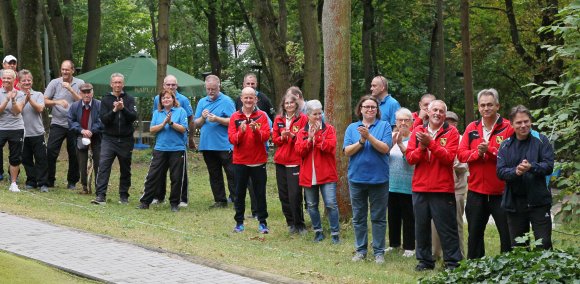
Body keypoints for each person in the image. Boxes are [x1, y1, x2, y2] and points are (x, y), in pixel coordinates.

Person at [406, 100, 462, 271]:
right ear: (428, 112)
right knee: (421, 227)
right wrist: (422, 148)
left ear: (445, 115)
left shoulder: (451, 132)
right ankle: (425, 261)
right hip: (420, 188)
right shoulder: (417, 131)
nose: (437, 113)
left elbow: (448, 158)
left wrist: (430, 143)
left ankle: (452, 262)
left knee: (447, 228)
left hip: (442, 189)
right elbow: (410, 158)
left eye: (441, 111)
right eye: (434, 110)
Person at [458, 88, 513, 259]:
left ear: (497, 106)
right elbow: (461, 154)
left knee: (506, 235)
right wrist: (478, 154)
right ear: (478, 107)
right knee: (474, 235)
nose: (486, 108)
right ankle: (475, 269)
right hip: (476, 192)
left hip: (501, 193)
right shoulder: (472, 127)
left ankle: (507, 269)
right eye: (482, 105)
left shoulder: (508, 128)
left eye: (490, 105)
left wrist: (490, 151)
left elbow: (511, 157)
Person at [497, 105, 554, 250]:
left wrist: (532, 167)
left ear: (531, 121)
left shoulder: (542, 140)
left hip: (539, 201)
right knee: (519, 247)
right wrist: (516, 171)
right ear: (511, 124)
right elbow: (500, 172)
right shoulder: (505, 145)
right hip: (515, 203)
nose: (523, 125)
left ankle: (546, 271)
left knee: (544, 244)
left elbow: (549, 166)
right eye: (519, 122)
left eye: (526, 121)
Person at [344, 96, 392, 263]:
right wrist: (361, 141)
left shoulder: (385, 125)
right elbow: (347, 151)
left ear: (377, 110)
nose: (370, 109)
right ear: (361, 109)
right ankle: (361, 250)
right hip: (356, 179)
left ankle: (379, 252)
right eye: (367, 107)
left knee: (378, 217)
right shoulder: (352, 128)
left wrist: (369, 136)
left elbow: (385, 148)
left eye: (373, 107)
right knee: (359, 217)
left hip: (379, 180)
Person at [295, 100, 340, 244]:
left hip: (327, 173)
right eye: (315, 114)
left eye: (320, 113)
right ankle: (318, 232)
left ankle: (335, 234)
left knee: (331, 204)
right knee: (312, 205)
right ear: (308, 115)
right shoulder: (302, 132)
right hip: (309, 175)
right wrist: (309, 138)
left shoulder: (329, 129)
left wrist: (317, 136)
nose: (318, 116)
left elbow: (330, 147)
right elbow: (299, 151)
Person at [228, 87, 271, 233]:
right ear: (241, 99)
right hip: (240, 161)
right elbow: (232, 139)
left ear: (256, 99)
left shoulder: (262, 116)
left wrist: (255, 130)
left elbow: (266, 136)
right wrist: (241, 131)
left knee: (260, 192)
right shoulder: (235, 117)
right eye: (246, 98)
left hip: (258, 161)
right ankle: (239, 223)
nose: (248, 100)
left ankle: (263, 222)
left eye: (251, 97)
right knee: (239, 193)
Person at [138, 90, 188, 212]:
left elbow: (183, 129)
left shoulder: (181, 111)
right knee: (153, 176)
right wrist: (164, 123)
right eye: (163, 98)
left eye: (168, 98)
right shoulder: (157, 113)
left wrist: (171, 123)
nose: (166, 100)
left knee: (176, 177)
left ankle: (174, 204)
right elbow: (152, 129)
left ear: (173, 99)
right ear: (160, 101)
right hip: (160, 149)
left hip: (177, 149)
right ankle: (145, 202)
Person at [92, 73, 137, 205]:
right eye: (115, 82)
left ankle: (124, 196)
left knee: (125, 169)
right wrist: (114, 110)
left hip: (126, 140)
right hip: (108, 139)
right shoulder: (105, 100)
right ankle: (100, 195)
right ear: (111, 84)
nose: (117, 85)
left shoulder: (129, 99)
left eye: (119, 82)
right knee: (104, 166)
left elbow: (133, 117)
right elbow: (104, 120)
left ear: (123, 84)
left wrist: (123, 109)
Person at [151, 75, 195, 207]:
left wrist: (190, 137)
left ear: (177, 86)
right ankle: (159, 196)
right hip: (162, 142)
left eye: (173, 85)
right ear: (163, 85)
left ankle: (182, 198)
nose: (171, 87)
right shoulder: (157, 99)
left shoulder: (184, 100)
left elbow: (190, 119)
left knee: (179, 173)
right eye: (168, 85)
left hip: (178, 143)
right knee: (159, 171)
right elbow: (157, 115)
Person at [194, 75, 236, 209]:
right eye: (208, 89)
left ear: (219, 87)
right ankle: (220, 200)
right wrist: (202, 117)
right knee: (214, 174)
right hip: (207, 145)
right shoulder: (202, 102)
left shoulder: (227, 101)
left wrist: (217, 119)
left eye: (213, 89)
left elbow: (234, 121)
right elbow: (196, 124)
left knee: (231, 173)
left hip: (224, 145)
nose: (211, 92)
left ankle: (236, 199)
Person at [432, 111, 469, 259]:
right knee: (435, 222)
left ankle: (459, 255)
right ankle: (434, 254)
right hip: (437, 187)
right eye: (446, 121)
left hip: (456, 187)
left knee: (456, 222)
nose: (449, 123)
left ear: (456, 124)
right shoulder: (434, 137)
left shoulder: (461, 139)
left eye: (452, 121)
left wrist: (448, 161)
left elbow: (463, 164)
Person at [272, 89, 308, 234]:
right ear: (283, 105)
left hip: (295, 161)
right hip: (280, 161)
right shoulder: (278, 119)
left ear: (296, 104)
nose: (289, 105)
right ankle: (290, 223)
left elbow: (304, 138)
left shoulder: (303, 118)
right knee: (283, 194)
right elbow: (274, 139)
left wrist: (292, 136)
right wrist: (282, 137)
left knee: (295, 195)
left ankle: (300, 224)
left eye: (291, 102)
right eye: (286, 103)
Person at [44, 60, 83, 189]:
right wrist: (57, 102)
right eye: (63, 69)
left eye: (67, 69)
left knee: (74, 153)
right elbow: (44, 100)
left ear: (72, 70)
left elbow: (84, 101)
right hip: (57, 123)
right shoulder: (54, 83)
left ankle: (72, 182)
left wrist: (71, 90)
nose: (65, 72)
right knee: (50, 151)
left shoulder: (80, 83)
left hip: (74, 124)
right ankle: (49, 180)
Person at [386, 108, 416, 258]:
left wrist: (401, 145)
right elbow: (384, 157)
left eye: (406, 120)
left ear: (412, 122)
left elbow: (412, 161)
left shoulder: (415, 139)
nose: (403, 123)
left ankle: (410, 246)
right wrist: (392, 144)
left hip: (409, 185)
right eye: (400, 120)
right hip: (391, 184)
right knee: (393, 215)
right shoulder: (390, 137)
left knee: (409, 216)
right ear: (395, 122)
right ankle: (394, 244)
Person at [68, 83, 102, 194]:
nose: (87, 94)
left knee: (98, 163)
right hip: (80, 137)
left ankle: (99, 187)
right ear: (80, 93)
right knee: (82, 163)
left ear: (93, 93)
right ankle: (84, 186)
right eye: (84, 92)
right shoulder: (74, 106)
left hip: (97, 138)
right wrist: (82, 130)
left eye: (89, 92)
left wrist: (92, 131)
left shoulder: (99, 105)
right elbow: (71, 121)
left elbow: (102, 121)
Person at [19, 70, 49, 192]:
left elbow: (40, 109)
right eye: (24, 80)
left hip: (37, 132)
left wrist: (29, 98)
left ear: (32, 81)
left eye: (29, 80)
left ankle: (43, 183)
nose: (27, 82)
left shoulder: (38, 95)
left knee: (41, 158)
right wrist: (24, 99)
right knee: (26, 159)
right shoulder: (15, 95)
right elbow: (16, 111)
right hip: (22, 133)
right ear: (19, 82)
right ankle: (31, 181)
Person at [0, 69, 25, 192]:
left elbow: (17, 111)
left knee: (15, 157)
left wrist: (13, 99)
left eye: (9, 78)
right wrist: (6, 99)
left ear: (14, 80)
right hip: (1, 127)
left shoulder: (20, 94)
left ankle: (13, 183)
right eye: (4, 78)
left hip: (16, 128)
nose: (6, 80)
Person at [0, 55, 19, 181]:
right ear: (3, 64)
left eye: (14, 63)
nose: (11, 65)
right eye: (9, 63)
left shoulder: (20, 77)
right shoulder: (2, 78)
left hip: (16, 120)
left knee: (16, 150)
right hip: (1, 120)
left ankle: (14, 175)